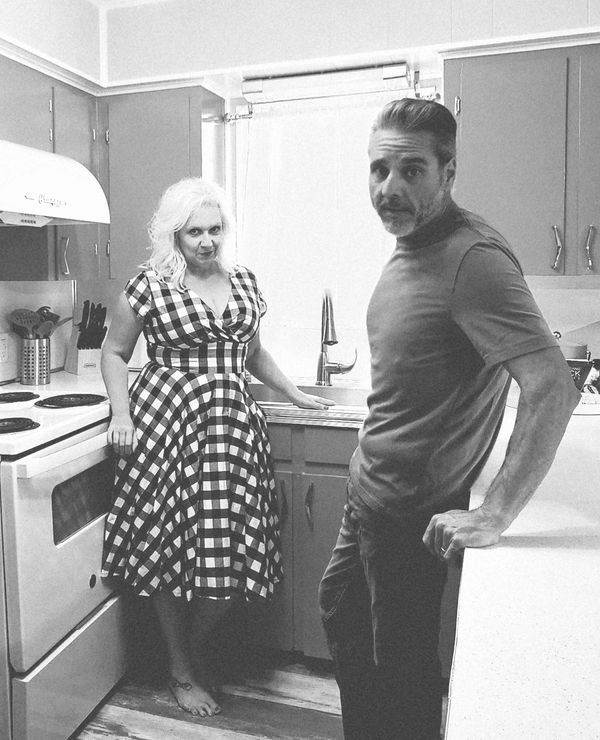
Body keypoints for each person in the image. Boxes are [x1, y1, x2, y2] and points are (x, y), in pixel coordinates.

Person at [318, 98, 580, 740]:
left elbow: (552, 387)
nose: (389, 188)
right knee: (343, 621)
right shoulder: (416, 244)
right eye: (379, 169)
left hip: (407, 516)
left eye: (412, 170)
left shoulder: (471, 259)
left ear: (449, 172)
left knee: (401, 678)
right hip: (368, 496)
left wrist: (496, 514)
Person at [101, 177, 332, 719]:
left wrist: (296, 394)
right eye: (194, 232)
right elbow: (113, 352)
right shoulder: (150, 285)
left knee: (230, 550)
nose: (207, 241)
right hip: (168, 426)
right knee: (169, 549)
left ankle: (194, 649)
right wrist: (121, 413)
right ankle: (181, 668)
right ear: (174, 235)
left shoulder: (244, 281)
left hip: (232, 431)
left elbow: (253, 354)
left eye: (215, 229)